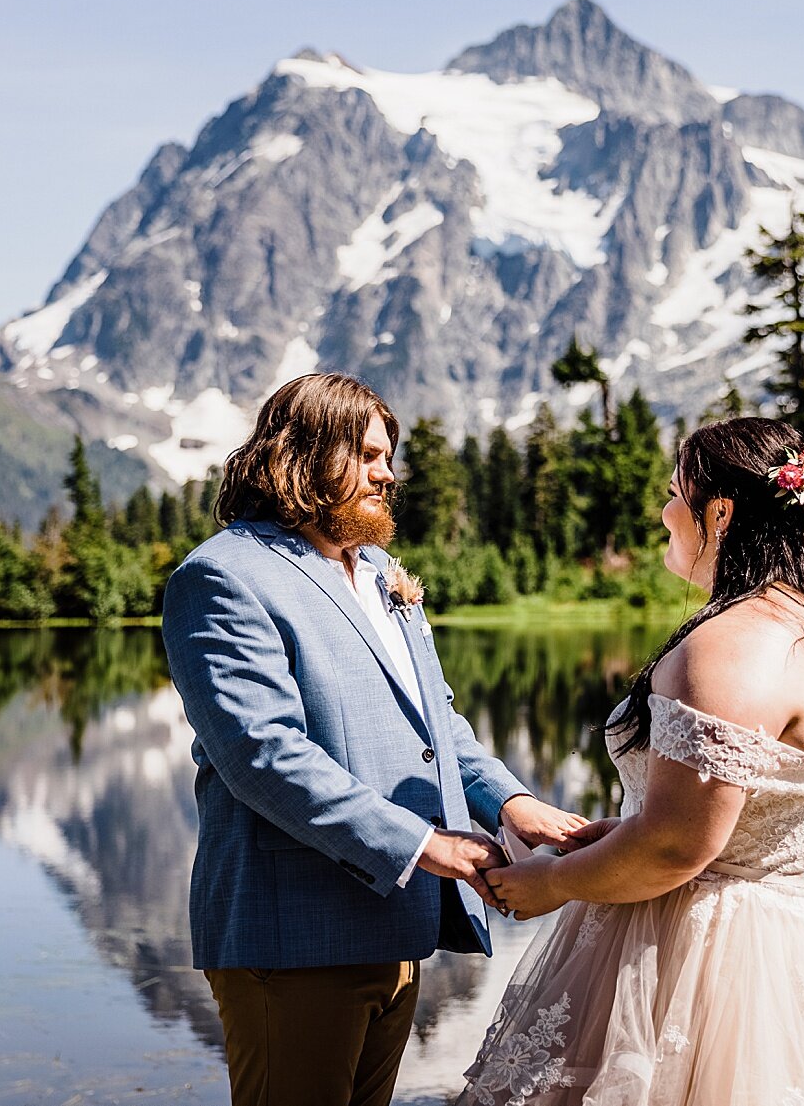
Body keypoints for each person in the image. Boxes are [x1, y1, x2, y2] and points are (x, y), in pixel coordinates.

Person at [462, 417, 804, 1105]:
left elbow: (679, 844)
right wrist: (613, 835)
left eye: (674, 490)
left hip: (710, 966)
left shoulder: (733, 643)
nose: (662, 509)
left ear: (719, 511)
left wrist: (556, 882)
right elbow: (735, 819)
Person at [162, 372, 587, 1106]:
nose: (387, 472)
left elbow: (436, 726)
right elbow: (263, 756)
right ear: (299, 455)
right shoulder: (222, 576)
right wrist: (429, 846)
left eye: (388, 455)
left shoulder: (383, 571)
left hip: (395, 923)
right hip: (290, 933)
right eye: (365, 453)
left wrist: (512, 803)